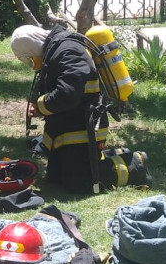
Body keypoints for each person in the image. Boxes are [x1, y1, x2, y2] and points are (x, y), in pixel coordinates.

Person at [11, 24, 150, 195]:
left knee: (79, 182)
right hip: (69, 124)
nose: (31, 63)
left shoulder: (68, 51)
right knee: (55, 176)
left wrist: (41, 106)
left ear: (33, 46)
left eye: (28, 59)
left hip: (84, 126)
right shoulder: (56, 49)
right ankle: (118, 154)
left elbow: (67, 93)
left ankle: (137, 164)